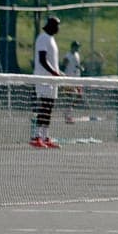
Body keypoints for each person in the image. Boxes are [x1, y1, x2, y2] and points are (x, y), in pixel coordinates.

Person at [30, 15, 66, 149]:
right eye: (57, 25)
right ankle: (36, 137)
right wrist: (53, 73)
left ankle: (45, 137)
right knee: (44, 106)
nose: (58, 28)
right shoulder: (42, 38)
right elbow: (42, 60)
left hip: (52, 80)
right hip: (44, 79)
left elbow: (52, 62)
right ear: (51, 25)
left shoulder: (51, 39)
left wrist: (59, 72)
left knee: (49, 107)